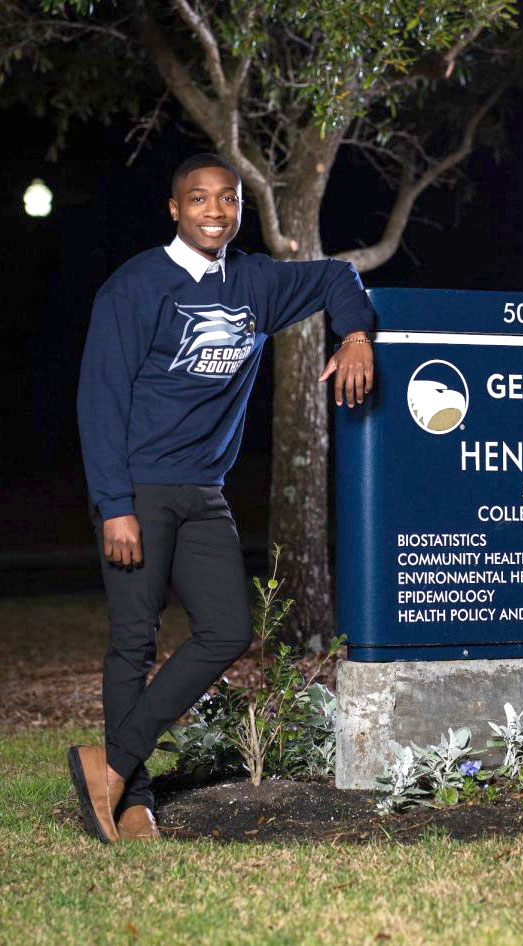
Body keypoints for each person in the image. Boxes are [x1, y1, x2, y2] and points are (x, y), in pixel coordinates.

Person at [70, 152, 375, 843]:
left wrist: (355, 334)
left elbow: (337, 275)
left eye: (228, 200)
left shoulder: (256, 284)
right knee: (133, 642)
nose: (215, 211)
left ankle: (111, 765)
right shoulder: (136, 286)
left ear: (239, 209)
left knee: (228, 629)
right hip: (139, 487)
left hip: (204, 490)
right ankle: (135, 800)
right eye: (199, 199)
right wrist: (114, 503)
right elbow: (100, 399)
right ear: (175, 209)